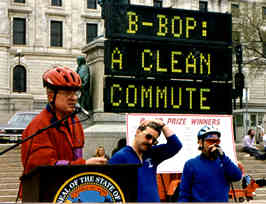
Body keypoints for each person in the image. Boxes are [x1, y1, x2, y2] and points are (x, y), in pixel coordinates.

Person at [21, 67, 107, 177]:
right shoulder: (39, 126)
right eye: (67, 93)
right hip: (42, 191)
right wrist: (83, 165)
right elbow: (44, 167)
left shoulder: (75, 122)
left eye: (76, 92)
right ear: (51, 95)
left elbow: (75, 158)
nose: (74, 98)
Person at [108, 119, 182, 202]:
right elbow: (110, 189)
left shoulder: (152, 154)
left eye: (154, 140)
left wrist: (162, 125)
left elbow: (176, 145)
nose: (150, 142)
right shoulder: (121, 157)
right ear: (138, 132)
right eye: (148, 137)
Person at [178, 125, 242, 202]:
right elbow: (184, 193)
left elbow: (237, 176)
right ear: (200, 142)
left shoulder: (224, 162)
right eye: (210, 141)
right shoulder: (191, 164)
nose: (213, 144)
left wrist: (223, 156)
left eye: (216, 141)